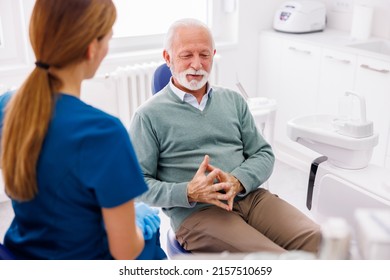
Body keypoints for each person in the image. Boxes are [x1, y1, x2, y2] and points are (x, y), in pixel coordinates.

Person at [129, 18, 322, 254]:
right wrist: (189, 191)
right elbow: (137, 185)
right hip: (198, 214)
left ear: (214, 55)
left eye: (204, 55)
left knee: (320, 241)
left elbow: (263, 153)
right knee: (274, 261)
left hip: (251, 198)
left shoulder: (233, 101)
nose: (197, 64)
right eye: (186, 55)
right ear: (168, 58)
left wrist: (237, 181)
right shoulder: (148, 115)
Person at [0, 0, 166, 260]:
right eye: (108, 38)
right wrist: (137, 222)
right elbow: (124, 251)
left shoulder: (8, 107)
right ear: (91, 49)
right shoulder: (104, 132)